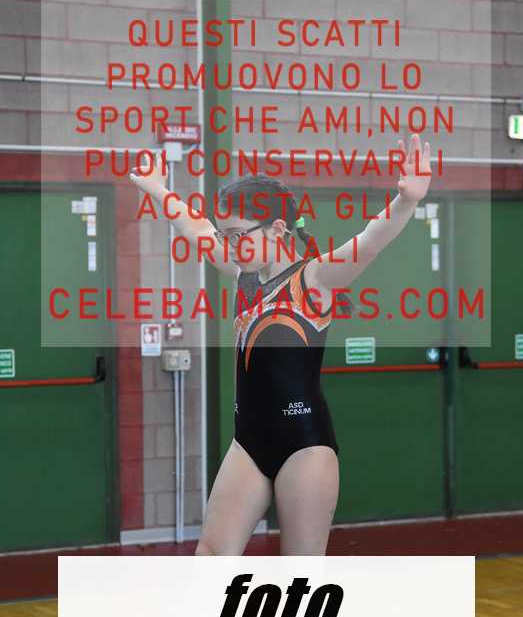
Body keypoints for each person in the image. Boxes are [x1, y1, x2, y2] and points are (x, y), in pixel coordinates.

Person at [130, 133, 432, 555]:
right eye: (227, 235)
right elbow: (196, 228)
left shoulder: (315, 279)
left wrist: (406, 201)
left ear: (276, 229)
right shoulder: (244, 276)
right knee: (210, 556)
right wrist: (157, 189)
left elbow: (369, 242)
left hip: (304, 447)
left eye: (238, 235)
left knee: (300, 576)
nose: (230, 245)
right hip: (247, 443)